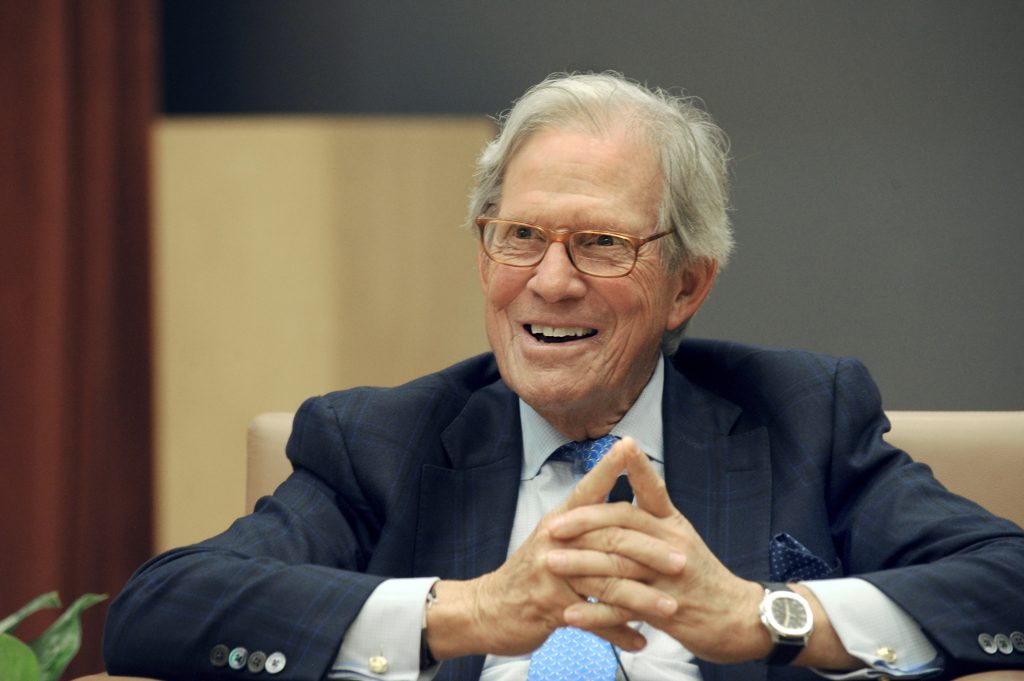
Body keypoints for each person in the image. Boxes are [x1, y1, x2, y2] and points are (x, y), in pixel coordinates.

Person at [103, 72, 1024, 681]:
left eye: (601, 244)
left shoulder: (798, 418)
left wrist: (766, 615)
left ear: (687, 285)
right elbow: (158, 609)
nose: (549, 279)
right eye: (521, 236)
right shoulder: (380, 443)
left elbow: (1007, 576)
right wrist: (468, 610)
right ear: (483, 255)